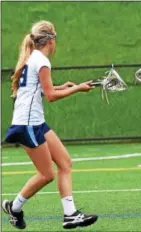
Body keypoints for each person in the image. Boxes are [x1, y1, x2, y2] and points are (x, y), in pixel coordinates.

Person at [2, 20, 98, 230]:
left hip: (34, 121)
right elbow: (52, 97)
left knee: (65, 162)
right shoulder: (42, 61)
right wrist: (78, 89)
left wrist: (61, 85)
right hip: (28, 123)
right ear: (51, 40)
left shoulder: (33, 57)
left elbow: (44, 90)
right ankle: (14, 207)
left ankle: (70, 215)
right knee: (47, 174)